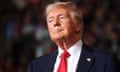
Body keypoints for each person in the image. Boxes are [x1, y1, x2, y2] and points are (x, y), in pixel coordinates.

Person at [27, 1, 118, 72]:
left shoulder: (104, 61)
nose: (55, 23)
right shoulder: (36, 66)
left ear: (78, 25)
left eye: (61, 17)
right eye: (50, 20)